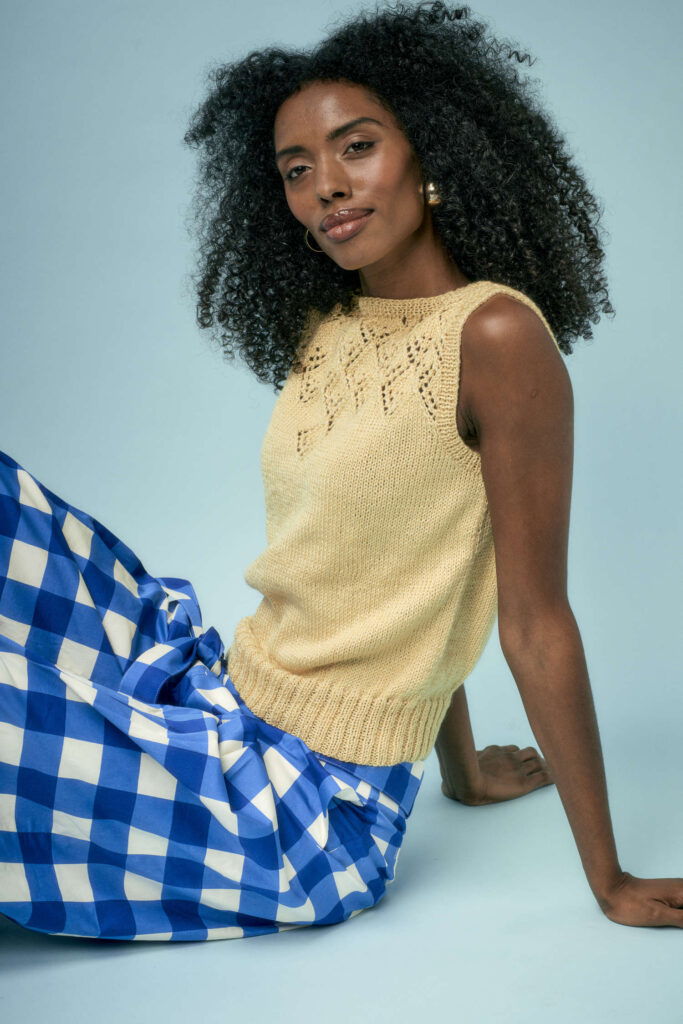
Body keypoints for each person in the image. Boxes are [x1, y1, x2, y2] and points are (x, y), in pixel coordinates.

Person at [1, 1, 681, 942]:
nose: (325, 185)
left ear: (430, 151)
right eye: (296, 169)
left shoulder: (495, 336)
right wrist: (464, 772)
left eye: (356, 147)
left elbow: (531, 618)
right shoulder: (328, 324)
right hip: (223, 695)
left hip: (307, 806)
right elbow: (400, 559)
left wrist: (610, 879)